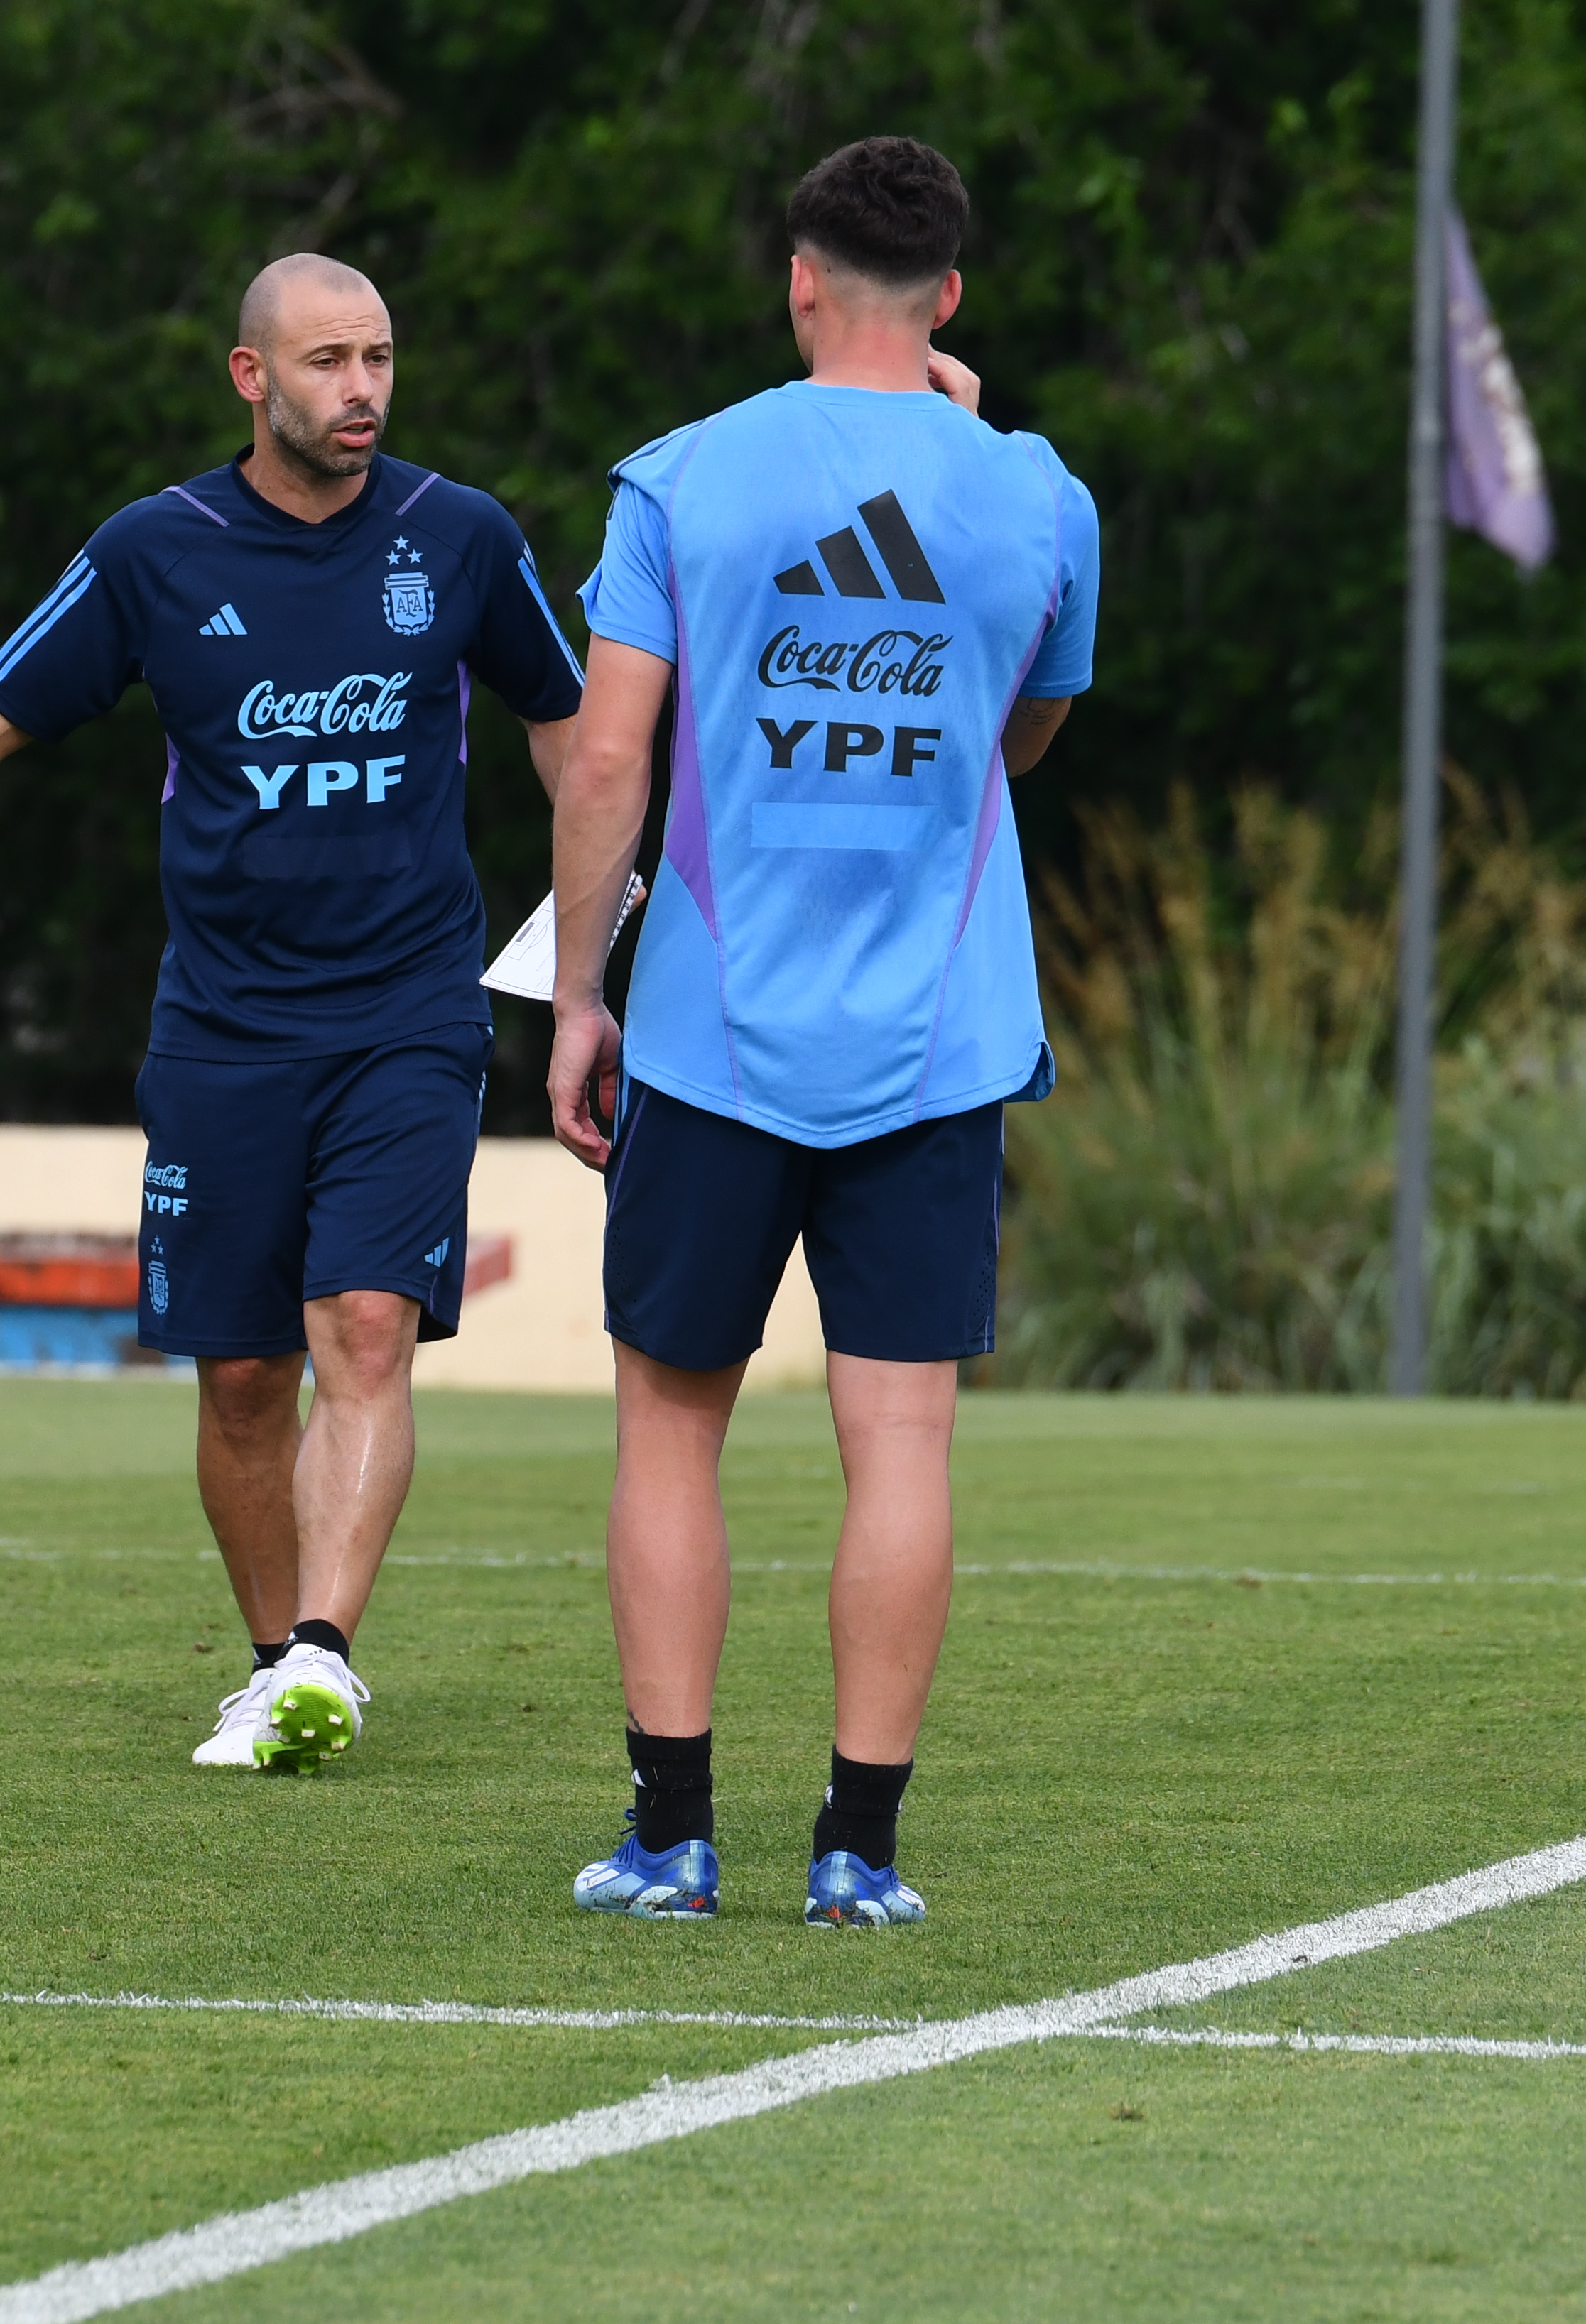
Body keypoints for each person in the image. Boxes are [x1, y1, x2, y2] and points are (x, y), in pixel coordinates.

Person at [0, 255, 586, 1770]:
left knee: (366, 1326)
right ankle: (274, 1663)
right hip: (223, 1027)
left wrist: (596, 936)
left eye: (377, 357)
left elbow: (572, 732)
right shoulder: (155, 549)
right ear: (251, 375)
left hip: (409, 1010)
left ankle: (322, 1651)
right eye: (326, 361)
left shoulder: (462, 535)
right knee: (242, 1376)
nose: (361, 388)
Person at [543, 136, 1095, 1924]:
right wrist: (969, 439)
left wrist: (577, 992)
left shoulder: (682, 475)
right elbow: (1022, 733)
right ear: (949, 295)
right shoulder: (1038, 496)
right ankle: (858, 1851)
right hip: (936, 1037)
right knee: (902, 1440)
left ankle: (670, 1837)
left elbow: (609, 757)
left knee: (667, 1428)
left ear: (798, 280)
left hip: (710, 1028)